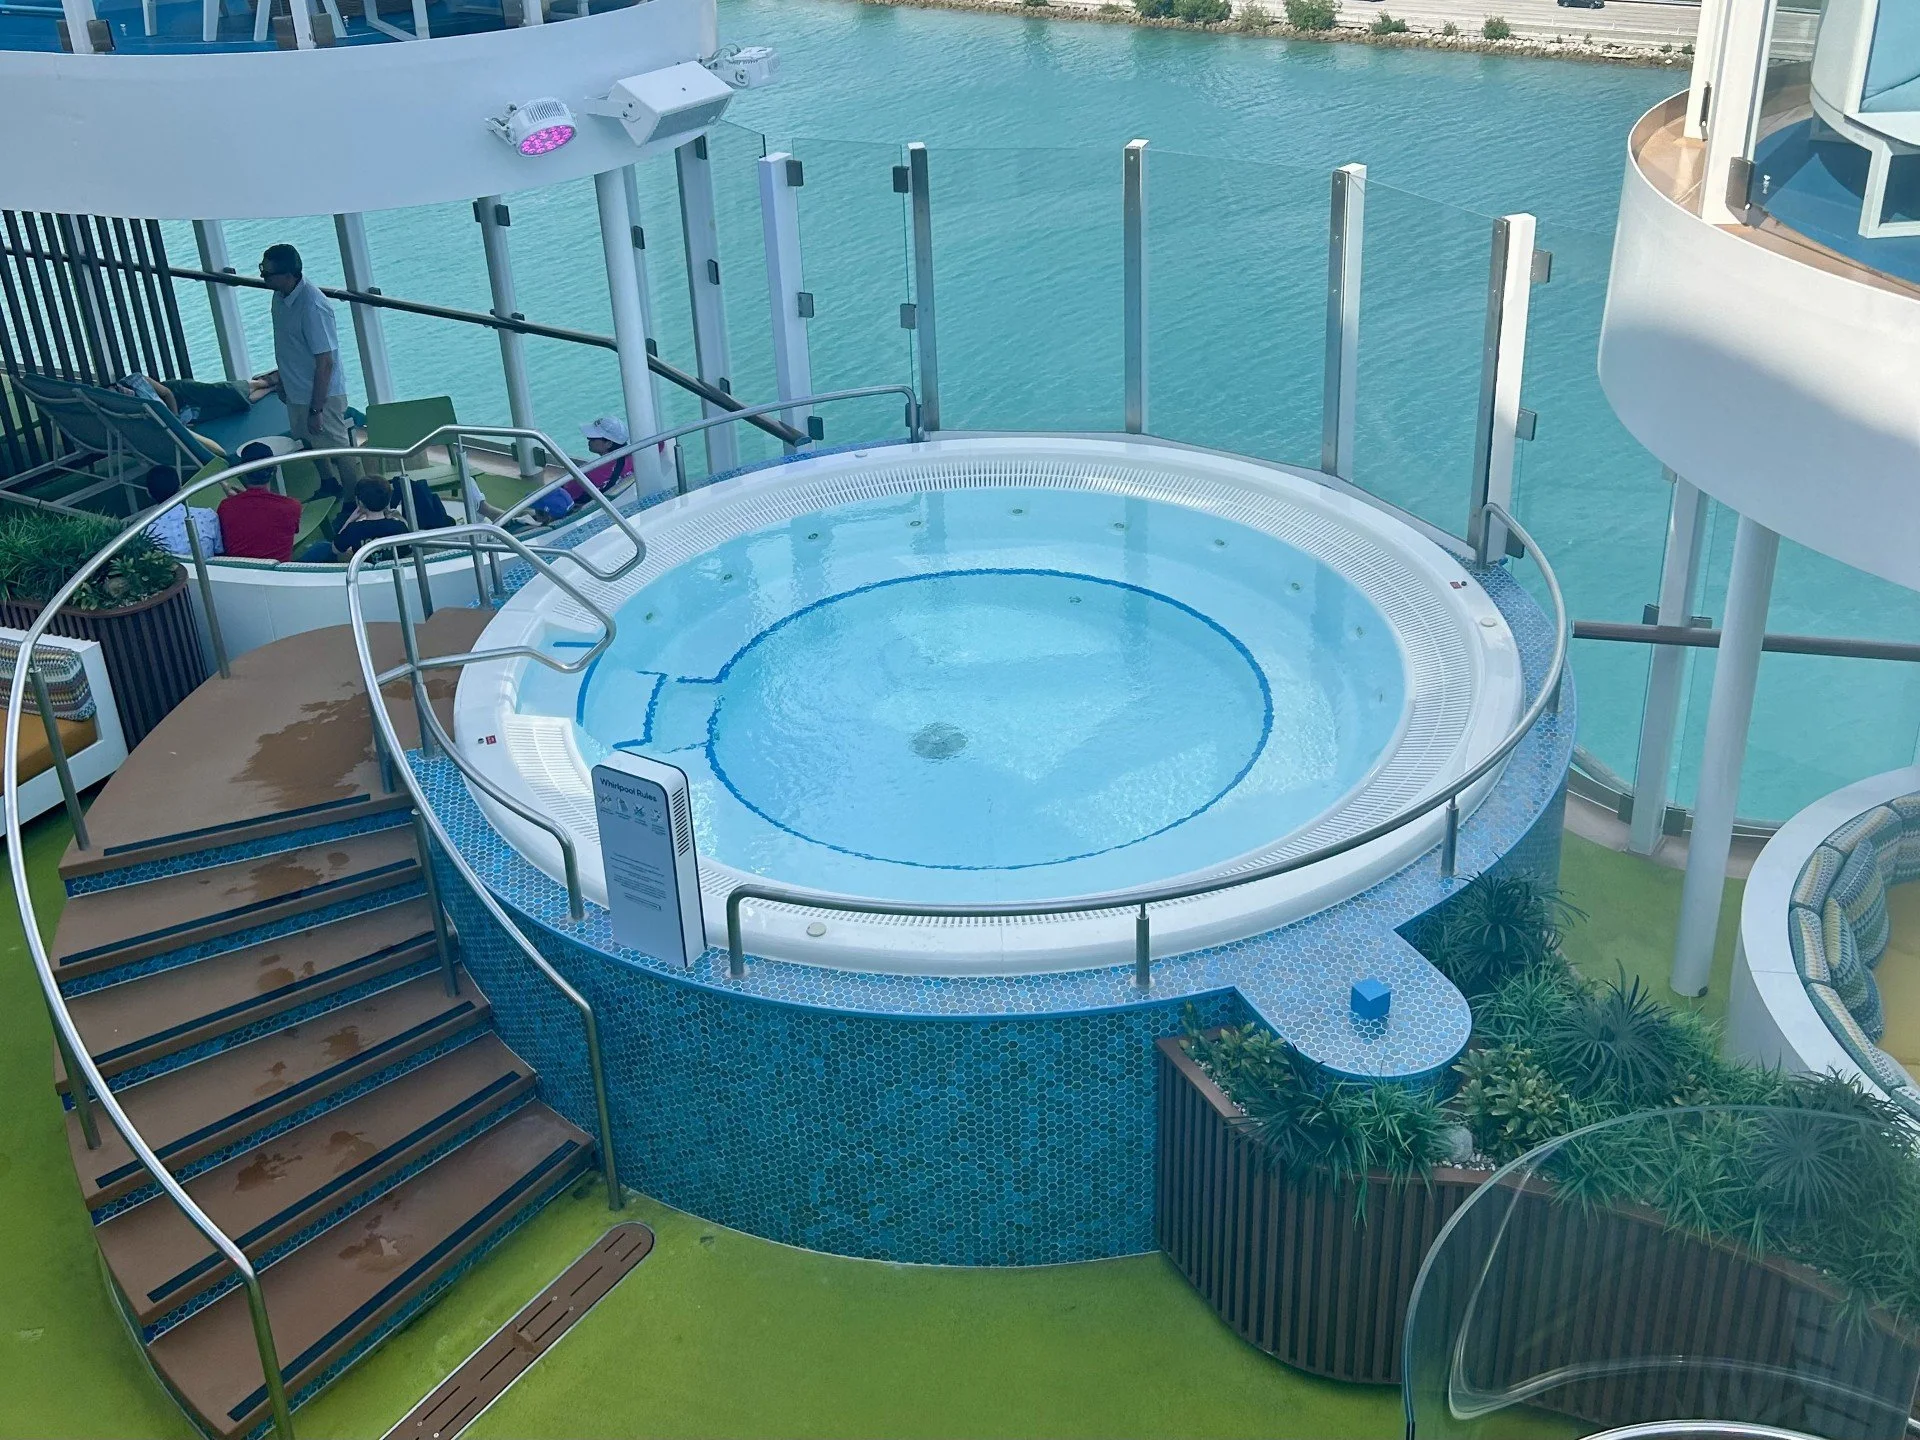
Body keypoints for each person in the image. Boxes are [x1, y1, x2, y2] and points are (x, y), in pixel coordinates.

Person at [256, 243, 358, 499]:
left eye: (267, 273)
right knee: (308, 443)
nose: (263, 278)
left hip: (321, 394)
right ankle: (328, 484)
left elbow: (325, 362)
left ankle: (356, 498)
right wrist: (282, 381)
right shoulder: (279, 298)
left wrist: (317, 408)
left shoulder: (313, 306)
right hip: (297, 390)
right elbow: (289, 346)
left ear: (289, 275)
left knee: (339, 450)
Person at [530, 416, 635, 522]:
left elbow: (566, 496)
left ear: (609, 443)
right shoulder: (635, 459)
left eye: (593, 438)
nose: (588, 439)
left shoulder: (592, 472)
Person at [217, 444, 305, 562]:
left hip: (242, 575)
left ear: (243, 472)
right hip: (280, 575)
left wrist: (239, 499)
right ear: (274, 470)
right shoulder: (292, 507)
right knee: (322, 548)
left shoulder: (226, 507)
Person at [298, 477, 410, 563]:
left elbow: (335, 548)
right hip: (390, 573)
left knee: (321, 546)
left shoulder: (354, 529)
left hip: (361, 575)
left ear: (359, 502)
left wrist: (350, 519)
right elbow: (408, 547)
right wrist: (399, 517)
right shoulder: (399, 526)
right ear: (388, 500)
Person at [140, 465, 223, 558]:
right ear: (180, 488)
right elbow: (219, 551)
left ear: (149, 493)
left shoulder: (143, 530)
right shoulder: (208, 516)